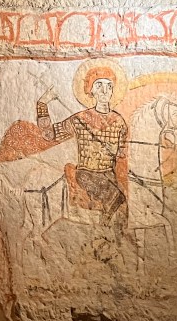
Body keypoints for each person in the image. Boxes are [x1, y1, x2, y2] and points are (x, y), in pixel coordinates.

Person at [36, 66, 128, 231]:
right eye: (99, 85)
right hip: (87, 174)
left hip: (109, 174)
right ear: (90, 91)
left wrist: (115, 150)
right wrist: (42, 104)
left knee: (123, 207)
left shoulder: (119, 121)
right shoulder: (80, 119)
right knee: (116, 198)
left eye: (109, 86)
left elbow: (122, 152)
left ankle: (115, 241)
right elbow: (49, 135)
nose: (104, 90)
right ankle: (103, 235)